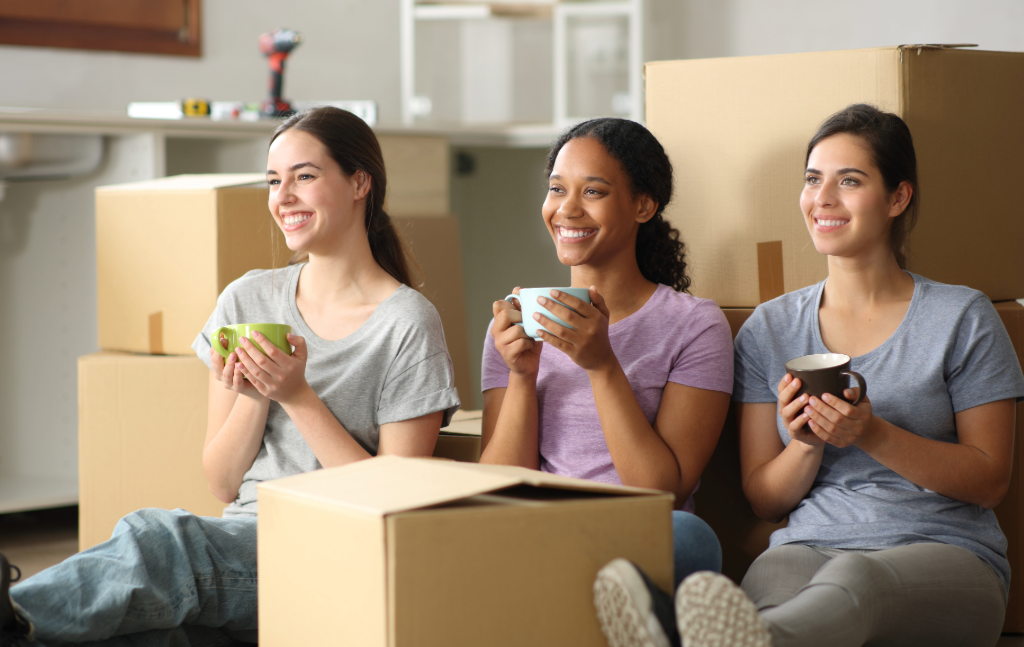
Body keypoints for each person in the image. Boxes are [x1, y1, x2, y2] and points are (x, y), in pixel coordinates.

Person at [0, 107, 460, 647]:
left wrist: (297, 396)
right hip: (242, 537)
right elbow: (220, 483)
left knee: (159, 540)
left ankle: (13, 616)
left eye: (304, 177)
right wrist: (256, 396)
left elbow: (395, 502)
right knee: (139, 634)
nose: (282, 196)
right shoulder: (247, 298)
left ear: (360, 182)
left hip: (338, 547)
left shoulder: (408, 323)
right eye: (273, 181)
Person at [595, 103, 1024, 647]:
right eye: (813, 179)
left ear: (898, 197)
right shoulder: (769, 329)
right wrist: (803, 444)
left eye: (849, 181)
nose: (823, 198)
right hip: (808, 545)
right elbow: (765, 500)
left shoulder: (961, 317)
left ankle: (704, 637)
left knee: (857, 580)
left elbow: (990, 480)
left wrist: (871, 433)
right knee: (770, 584)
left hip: (949, 555)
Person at [480, 118, 734, 609]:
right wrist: (521, 375)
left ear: (643, 205)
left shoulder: (695, 324)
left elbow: (661, 494)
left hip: (631, 534)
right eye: (557, 189)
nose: (567, 209)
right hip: (537, 527)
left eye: (592, 191)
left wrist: (602, 366)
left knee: (690, 536)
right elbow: (495, 486)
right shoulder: (516, 324)